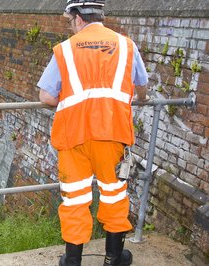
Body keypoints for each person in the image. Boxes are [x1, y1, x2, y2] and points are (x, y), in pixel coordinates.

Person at [37, 1, 149, 265]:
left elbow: (46, 95)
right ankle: (113, 257)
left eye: (69, 21)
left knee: (75, 198)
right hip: (113, 134)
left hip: (73, 136)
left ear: (77, 19)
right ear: (100, 17)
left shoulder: (65, 50)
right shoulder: (126, 46)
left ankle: (73, 261)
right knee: (114, 193)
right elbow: (141, 88)